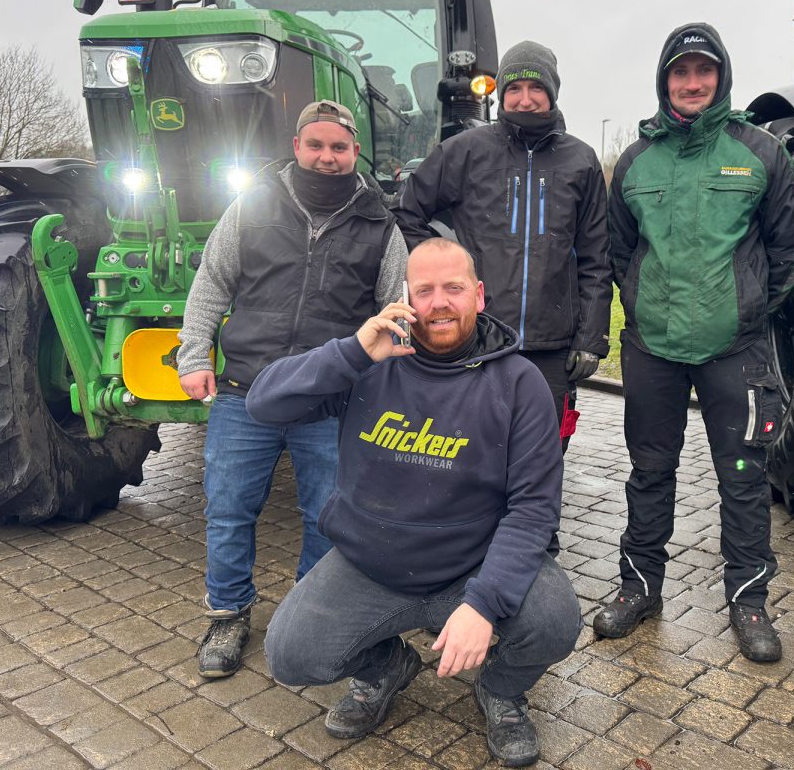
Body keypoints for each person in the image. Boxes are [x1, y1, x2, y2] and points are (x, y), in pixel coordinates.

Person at [247, 239, 581, 768]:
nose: (439, 303)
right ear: (405, 297)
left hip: (472, 565)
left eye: (453, 288)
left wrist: (485, 603)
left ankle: (500, 691)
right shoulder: (368, 364)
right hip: (370, 566)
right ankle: (385, 669)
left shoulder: (522, 384)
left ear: (478, 294)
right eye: (423, 290)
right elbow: (262, 403)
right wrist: (353, 352)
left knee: (555, 620)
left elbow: (534, 507)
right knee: (290, 654)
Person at [593, 24, 794, 663]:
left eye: (703, 72)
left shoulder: (760, 152)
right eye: (680, 73)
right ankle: (640, 589)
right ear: (664, 81)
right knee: (649, 472)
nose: (692, 84)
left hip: (735, 352)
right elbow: (618, 248)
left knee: (743, 476)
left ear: (721, 78)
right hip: (651, 349)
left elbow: (789, 249)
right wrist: (640, 304)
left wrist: (746, 311)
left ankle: (748, 601)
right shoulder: (636, 161)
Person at [176, 100, 408, 679]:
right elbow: (212, 281)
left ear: (356, 152)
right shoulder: (252, 205)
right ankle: (227, 614)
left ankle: (308, 611)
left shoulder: (380, 223)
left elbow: (395, 310)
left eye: (339, 147)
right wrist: (192, 354)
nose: (327, 157)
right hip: (245, 391)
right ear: (297, 147)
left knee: (326, 514)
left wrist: (379, 387)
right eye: (316, 146)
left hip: (330, 401)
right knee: (229, 508)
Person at [393, 41, 611, 449]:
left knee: (544, 456)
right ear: (500, 95)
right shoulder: (466, 151)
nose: (525, 99)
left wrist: (591, 339)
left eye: (536, 88)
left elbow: (597, 259)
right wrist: (447, 267)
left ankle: (535, 517)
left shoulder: (581, 161)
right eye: (514, 89)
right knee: (469, 451)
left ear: (553, 92)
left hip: (552, 347)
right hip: (479, 335)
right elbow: (406, 214)